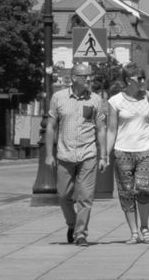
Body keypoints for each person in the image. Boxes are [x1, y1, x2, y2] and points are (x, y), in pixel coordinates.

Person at [105, 64, 149, 244]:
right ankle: (133, 232)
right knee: (126, 192)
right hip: (122, 152)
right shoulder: (115, 101)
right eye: (139, 78)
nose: (143, 81)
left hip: (145, 151)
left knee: (142, 189)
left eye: (143, 77)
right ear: (128, 80)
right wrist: (105, 155)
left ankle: (145, 227)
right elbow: (111, 130)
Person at [44, 62, 105, 246]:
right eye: (84, 76)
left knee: (85, 197)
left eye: (89, 75)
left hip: (88, 154)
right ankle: (72, 223)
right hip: (65, 154)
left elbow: (101, 129)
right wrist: (49, 154)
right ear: (74, 78)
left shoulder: (95, 99)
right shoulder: (59, 98)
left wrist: (103, 156)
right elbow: (51, 126)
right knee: (63, 195)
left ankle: (80, 234)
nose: (88, 79)